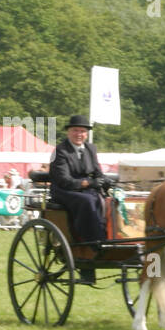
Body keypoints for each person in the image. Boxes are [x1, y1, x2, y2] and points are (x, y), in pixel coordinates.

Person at [49, 114, 109, 279]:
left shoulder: (91, 149)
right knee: (88, 201)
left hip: (85, 190)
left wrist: (103, 180)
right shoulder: (60, 151)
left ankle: (110, 237)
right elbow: (64, 180)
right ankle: (94, 240)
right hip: (64, 191)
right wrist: (88, 183)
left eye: (82, 131)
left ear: (86, 134)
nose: (79, 134)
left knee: (109, 201)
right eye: (75, 130)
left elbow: (97, 172)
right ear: (69, 132)